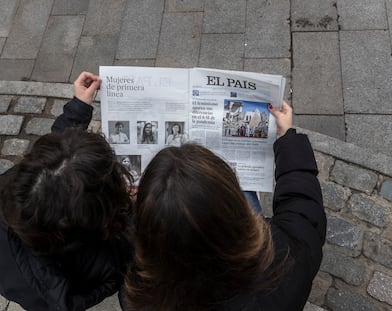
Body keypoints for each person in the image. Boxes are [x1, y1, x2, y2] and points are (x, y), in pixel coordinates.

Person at [123, 101, 326, 310]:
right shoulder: (289, 261)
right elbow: (303, 206)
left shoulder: (141, 295)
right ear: (235, 215)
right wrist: (288, 140)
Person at [0, 72, 133, 310]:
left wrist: (78, 109)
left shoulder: (26, 188)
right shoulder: (104, 263)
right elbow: (122, 258)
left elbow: (55, 164)